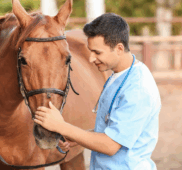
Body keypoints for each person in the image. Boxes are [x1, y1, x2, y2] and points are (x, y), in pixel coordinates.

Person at [34, 13, 161, 170]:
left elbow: (110, 145)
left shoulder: (138, 89)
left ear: (119, 48)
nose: (91, 58)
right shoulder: (119, 75)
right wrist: (79, 136)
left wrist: (61, 126)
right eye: (90, 51)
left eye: (97, 52)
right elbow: (116, 126)